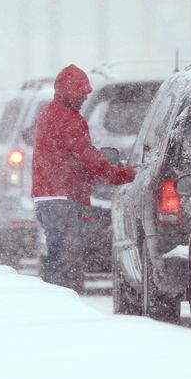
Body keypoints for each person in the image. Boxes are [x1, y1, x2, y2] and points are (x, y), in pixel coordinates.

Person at [32, 65, 136, 289]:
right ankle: (65, 301)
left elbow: (70, 157)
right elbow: (88, 158)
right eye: (82, 93)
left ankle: (55, 296)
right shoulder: (69, 120)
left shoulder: (47, 114)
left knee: (56, 253)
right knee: (67, 259)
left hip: (45, 196)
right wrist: (122, 174)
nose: (84, 98)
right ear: (70, 92)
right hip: (64, 198)